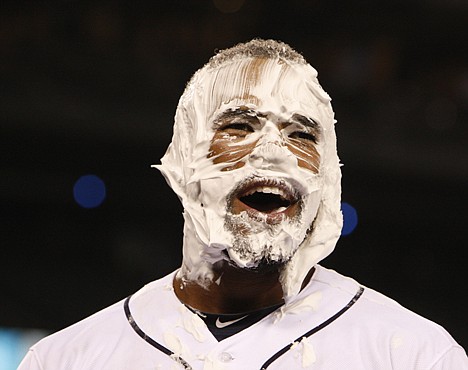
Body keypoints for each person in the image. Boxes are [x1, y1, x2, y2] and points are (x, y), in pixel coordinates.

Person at [19, 39, 467, 369]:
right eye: (238, 126)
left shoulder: (415, 354)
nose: (273, 150)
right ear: (182, 157)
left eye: (302, 135)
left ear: (328, 175)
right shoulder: (64, 359)